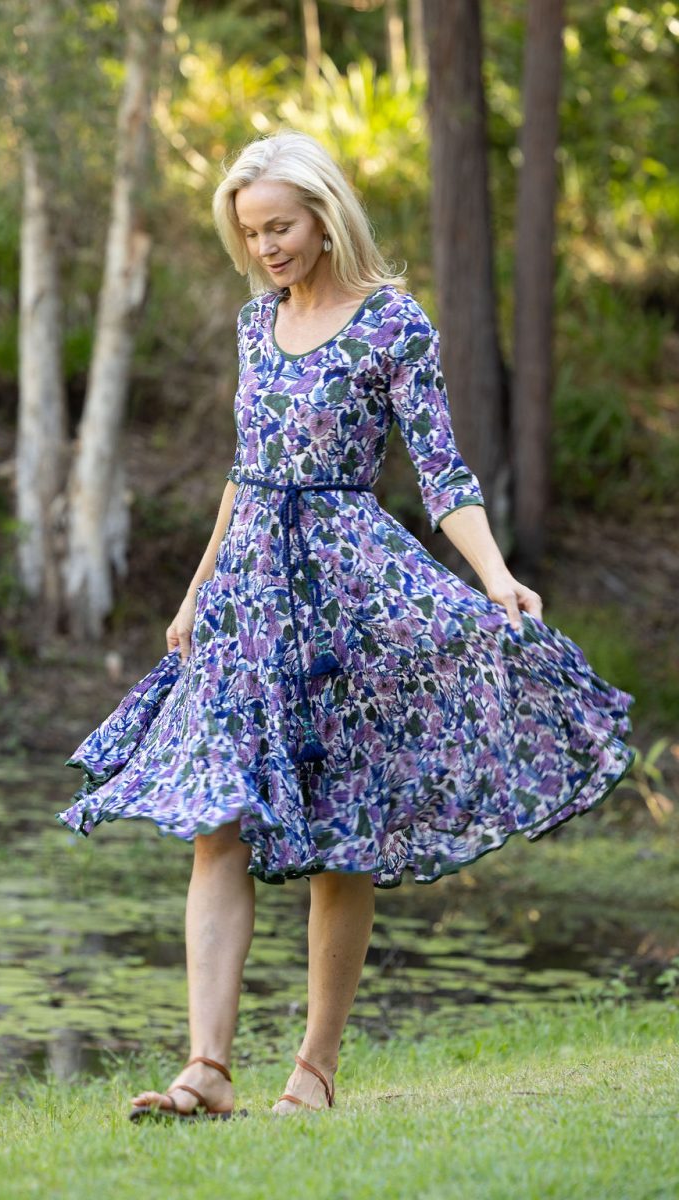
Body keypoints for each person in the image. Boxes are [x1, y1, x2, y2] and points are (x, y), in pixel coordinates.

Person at [56, 129, 635, 1121]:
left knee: (342, 835)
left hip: (350, 595)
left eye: (278, 227)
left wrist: (494, 577)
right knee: (215, 824)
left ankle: (313, 1074)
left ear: (324, 217)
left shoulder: (391, 324)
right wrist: (196, 591)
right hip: (245, 600)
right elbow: (243, 473)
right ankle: (205, 1069)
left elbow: (441, 470)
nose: (265, 248)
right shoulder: (253, 327)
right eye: (249, 234)